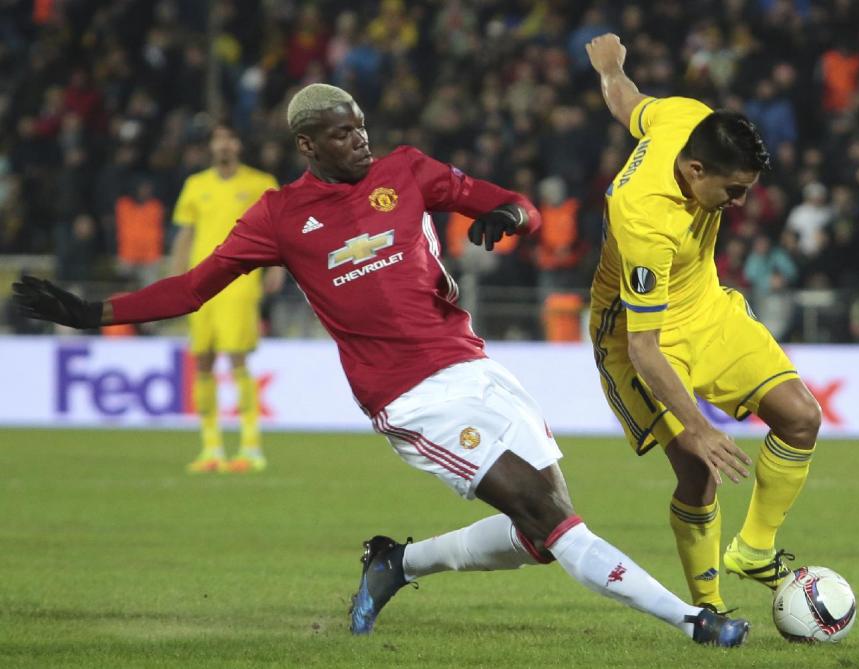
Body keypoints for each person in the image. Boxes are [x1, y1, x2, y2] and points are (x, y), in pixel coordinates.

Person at [13, 83, 751, 647]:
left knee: (535, 535)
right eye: (342, 134)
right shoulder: (278, 217)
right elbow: (194, 286)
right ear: (309, 145)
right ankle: (694, 621)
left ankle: (397, 562)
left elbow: (515, 202)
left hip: (476, 368)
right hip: (410, 397)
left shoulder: (408, 169)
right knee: (552, 517)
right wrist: (95, 313)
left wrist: (506, 217)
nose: (360, 141)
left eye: (361, 125)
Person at [585, 34, 823, 612]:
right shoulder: (645, 218)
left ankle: (756, 551)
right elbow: (644, 348)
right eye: (733, 190)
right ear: (694, 170)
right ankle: (709, 608)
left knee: (801, 417)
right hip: (642, 333)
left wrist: (612, 67)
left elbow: (628, 103)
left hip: (707, 307)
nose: (740, 203)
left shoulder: (687, 117)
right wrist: (701, 427)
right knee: (697, 470)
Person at [168, 122, 284, 474]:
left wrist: (277, 267)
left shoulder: (261, 183)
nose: (224, 145)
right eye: (218, 139)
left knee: (236, 358)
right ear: (211, 147)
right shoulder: (195, 184)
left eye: (230, 138)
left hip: (239, 283)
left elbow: (279, 231)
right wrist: (176, 280)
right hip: (200, 285)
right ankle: (211, 448)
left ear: (238, 145)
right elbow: (185, 235)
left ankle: (250, 447)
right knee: (202, 359)